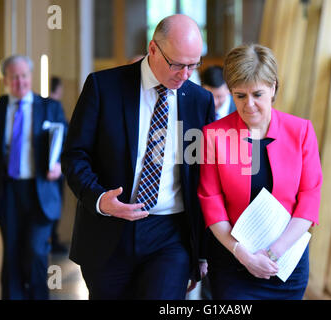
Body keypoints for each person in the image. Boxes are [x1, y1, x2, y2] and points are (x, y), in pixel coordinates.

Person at [61, 14, 215, 300]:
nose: (185, 75)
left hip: (170, 234)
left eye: (194, 66)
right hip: (109, 230)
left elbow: (203, 177)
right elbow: (74, 155)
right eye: (178, 64)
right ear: (153, 49)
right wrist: (99, 199)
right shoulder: (103, 87)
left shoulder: (199, 100)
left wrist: (201, 252)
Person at [197, 44, 323, 300]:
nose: (249, 105)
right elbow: (211, 203)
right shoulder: (214, 135)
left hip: (285, 263)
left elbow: (309, 200)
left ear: (273, 87)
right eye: (240, 96)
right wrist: (243, 255)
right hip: (233, 263)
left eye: (257, 94)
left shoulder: (301, 131)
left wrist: (273, 253)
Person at [0, 55, 67, 299]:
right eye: (14, 77)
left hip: (40, 191)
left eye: (24, 76)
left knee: (36, 250)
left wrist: (59, 166)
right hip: (7, 192)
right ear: (5, 79)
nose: (20, 82)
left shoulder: (50, 107)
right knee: (11, 254)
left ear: (31, 77)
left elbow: (67, 145)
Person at [48, 76, 69, 255]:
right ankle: (52, 238)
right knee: (54, 204)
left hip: (57, 167)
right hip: (53, 169)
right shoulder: (54, 108)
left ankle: (52, 238)